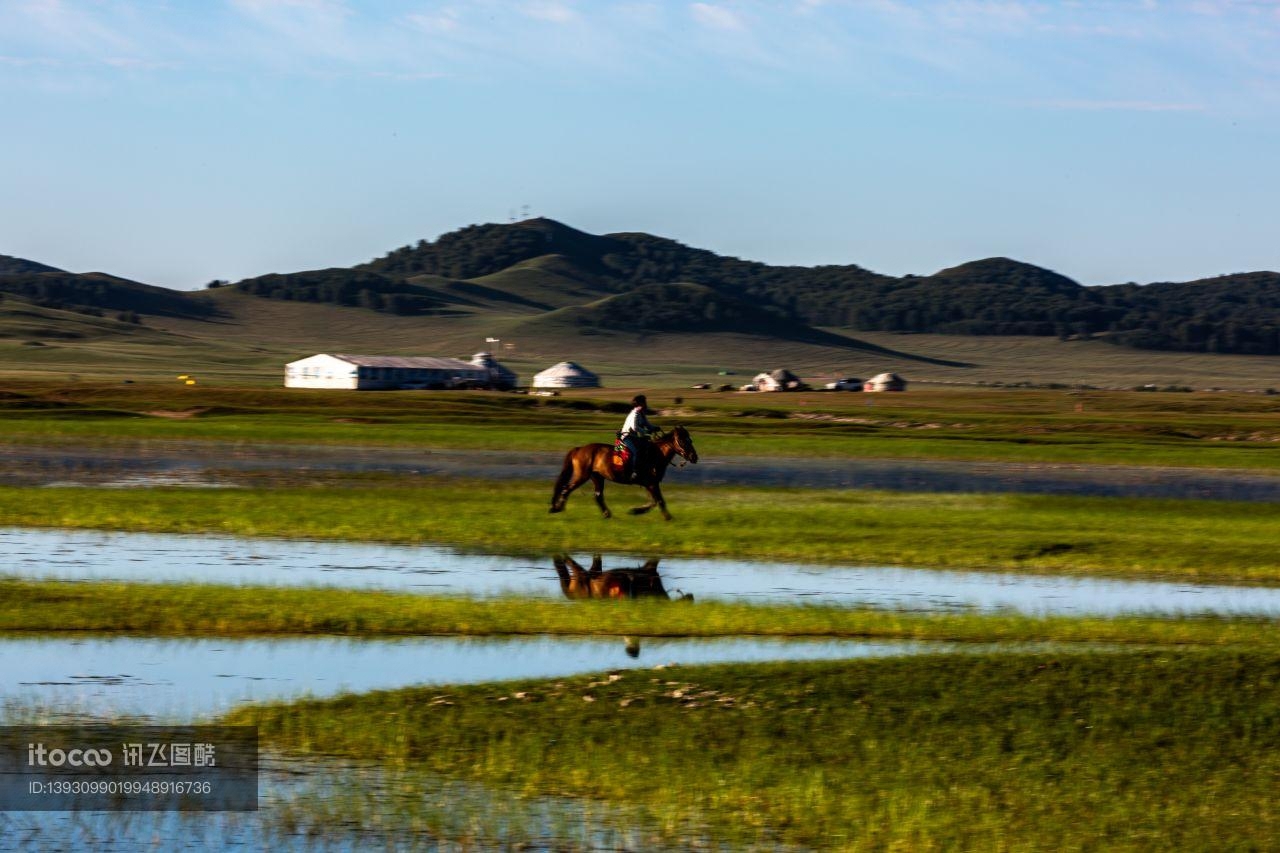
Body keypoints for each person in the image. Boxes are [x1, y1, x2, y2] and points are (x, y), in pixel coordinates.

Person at [616, 394, 658, 482]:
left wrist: (654, 428)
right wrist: (646, 432)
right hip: (627, 436)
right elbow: (635, 427)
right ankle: (635, 472)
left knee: (647, 447)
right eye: (644, 402)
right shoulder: (634, 414)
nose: (646, 404)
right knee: (637, 452)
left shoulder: (641, 414)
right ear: (640, 403)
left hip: (633, 436)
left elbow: (647, 424)